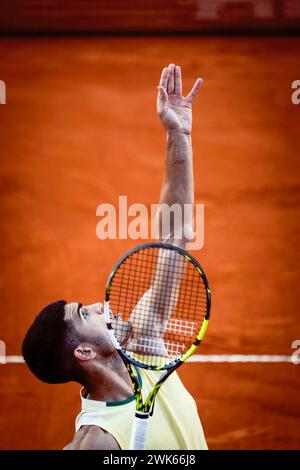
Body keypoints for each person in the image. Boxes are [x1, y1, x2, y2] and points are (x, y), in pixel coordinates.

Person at [22, 63, 208, 450]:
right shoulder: (95, 443)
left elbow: (174, 234)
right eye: (84, 313)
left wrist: (179, 135)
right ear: (84, 351)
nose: (97, 305)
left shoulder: (144, 343)